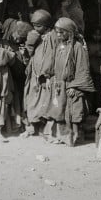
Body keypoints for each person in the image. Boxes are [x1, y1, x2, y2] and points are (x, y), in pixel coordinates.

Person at [49, 17, 95, 146]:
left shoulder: (78, 47)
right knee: (60, 111)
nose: (59, 35)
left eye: (62, 32)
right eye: (57, 32)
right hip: (60, 85)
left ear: (69, 32)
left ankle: (75, 137)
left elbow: (83, 68)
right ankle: (62, 136)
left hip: (72, 85)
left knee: (74, 112)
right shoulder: (59, 46)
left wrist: (75, 86)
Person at [23, 9, 57, 138]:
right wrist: (30, 43)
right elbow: (29, 54)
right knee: (32, 99)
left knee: (46, 101)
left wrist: (47, 74)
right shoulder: (34, 35)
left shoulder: (53, 37)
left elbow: (52, 57)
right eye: (34, 25)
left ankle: (46, 129)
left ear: (47, 25)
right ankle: (32, 127)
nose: (35, 28)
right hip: (34, 75)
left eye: (39, 26)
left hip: (46, 76)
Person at [87, 27, 101, 112]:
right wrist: (93, 54)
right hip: (91, 71)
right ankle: (91, 109)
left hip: (100, 72)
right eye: (95, 34)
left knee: (100, 91)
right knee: (91, 91)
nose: (97, 37)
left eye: (99, 35)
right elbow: (85, 56)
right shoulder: (88, 45)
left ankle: (99, 109)